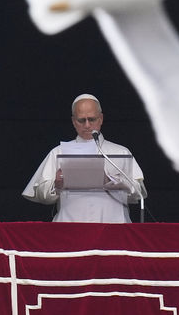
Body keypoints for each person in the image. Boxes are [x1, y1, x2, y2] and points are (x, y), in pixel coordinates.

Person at [22, 95, 146, 223]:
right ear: (73, 121)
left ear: (101, 119)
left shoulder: (121, 152)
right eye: (81, 120)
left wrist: (110, 181)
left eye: (91, 119)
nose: (87, 125)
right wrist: (56, 185)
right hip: (70, 228)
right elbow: (40, 194)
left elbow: (138, 193)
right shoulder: (58, 152)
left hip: (113, 228)